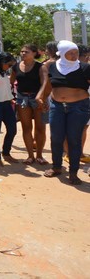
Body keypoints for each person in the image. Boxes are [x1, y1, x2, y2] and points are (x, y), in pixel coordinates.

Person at [38, 41, 90, 185]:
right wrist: (42, 99)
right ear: (62, 53)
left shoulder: (85, 68)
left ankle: (73, 172)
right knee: (56, 137)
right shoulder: (53, 66)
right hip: (57, 106)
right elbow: (49, 86)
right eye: (71, 53)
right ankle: (56, 167)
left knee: (74, 139)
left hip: (79, 107)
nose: (74, 56)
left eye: (76, 53)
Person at [10, 44, 48, 165]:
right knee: (26, 128)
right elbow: (11, 81)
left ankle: (40, 155)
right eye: (21, 52)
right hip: (22, 98)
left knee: (40, 128)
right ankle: (30, 155)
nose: (23, 54)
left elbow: (45, 82)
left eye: (26, 52)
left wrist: (40, 96)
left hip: (37, 98)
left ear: (34, 53)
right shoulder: (16, 66)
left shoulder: (40, 67)